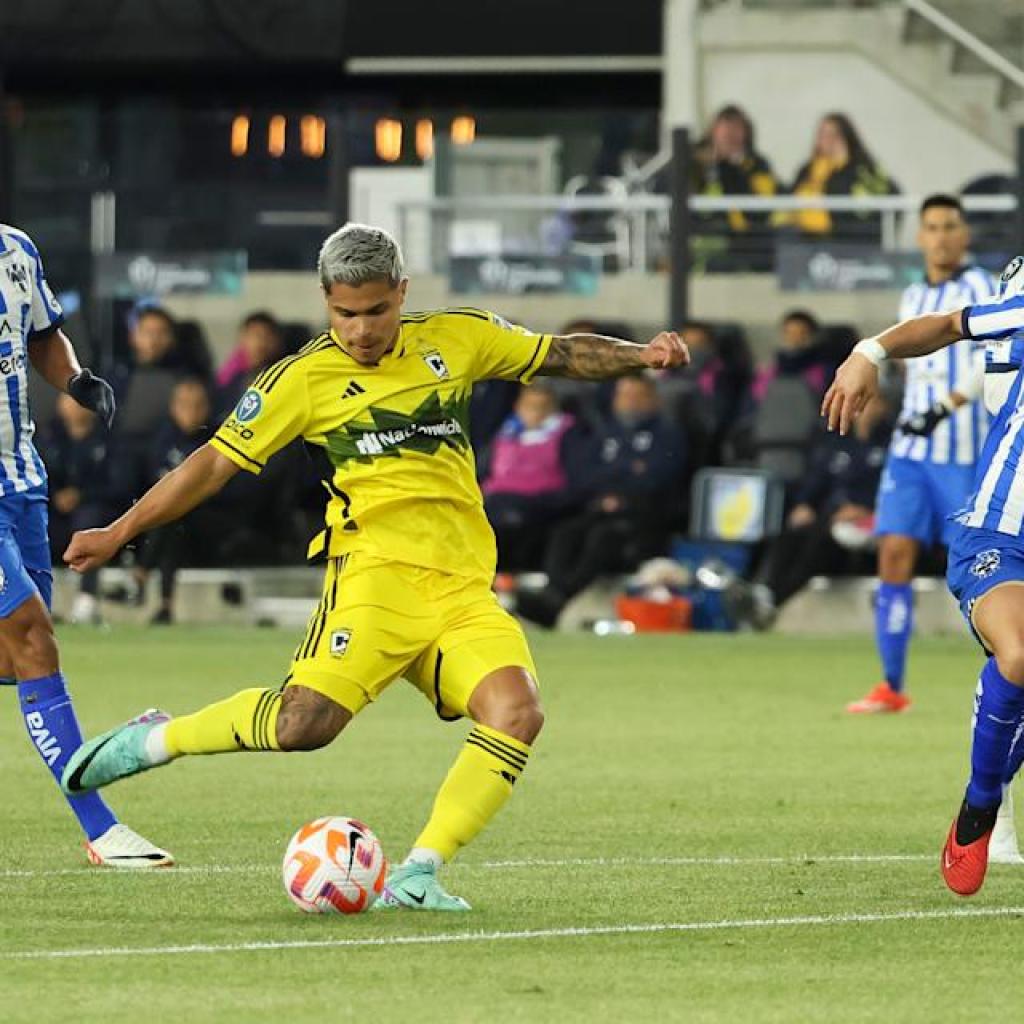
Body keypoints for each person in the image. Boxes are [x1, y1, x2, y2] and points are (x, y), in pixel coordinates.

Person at [59, 222, 689, 910]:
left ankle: (419, 874)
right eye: (345, 314)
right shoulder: (299, 380)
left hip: (461, 590)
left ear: (402, 293)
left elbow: (560, 353)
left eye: (377, 311)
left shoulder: (457, 336)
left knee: (517, 712)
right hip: (373, 582)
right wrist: (121, 529)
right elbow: (210, 465)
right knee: (303, 727)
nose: (361, 330)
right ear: (326, 301)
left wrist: (644, 355)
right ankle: (158, 739)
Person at [823, 253, 1024, 897]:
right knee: (1019, 652)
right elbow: (943, 326)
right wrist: (869, 352)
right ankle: (979, 807)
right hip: (1000, 531)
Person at [0, 223, 170, 866]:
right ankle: (101, 828)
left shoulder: (16, 250)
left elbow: (43, 335)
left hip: (20, 481)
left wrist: (73, 379)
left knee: (13, 661)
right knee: (31, 634)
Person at [846, 195, 994, 715]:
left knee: (980, 570)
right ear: (919, 237)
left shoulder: (982, 288)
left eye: (950, 226)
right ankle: (891, 684)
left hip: (967, 453)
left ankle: (1007, 675)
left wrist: (948, 404)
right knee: (892, 552)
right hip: (910, 452)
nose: (940, 237)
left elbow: (995, 357)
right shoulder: (912, 295)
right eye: (931, 227)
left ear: (964, 234)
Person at [517, 374, 687, 628]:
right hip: (598, 509)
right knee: (565, 533)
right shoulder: (604, 432)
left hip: (644, 517)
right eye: (624, 396)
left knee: (604, 538)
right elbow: (583, 475)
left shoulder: (667, 435)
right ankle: (554, 591)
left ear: (653, 399)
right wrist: (627, 471)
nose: (629, 403)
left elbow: (660, 477)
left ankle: (561, 599)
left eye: (637, 396)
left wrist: (622, 490)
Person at [751, 393, 890, 614]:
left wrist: (866, 508)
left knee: (818, 543)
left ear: (882, 406)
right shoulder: (838, 442)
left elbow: (895, 487)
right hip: (830, 518)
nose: (860, 409)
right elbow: (818, 479)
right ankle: (763, 590)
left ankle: (774, 600)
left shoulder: (890, 445)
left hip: (867, 523)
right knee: (790, 536)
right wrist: (805, 503)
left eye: (868, 402)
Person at [42, 394, 130, 625]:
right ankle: (33, 601)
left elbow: (120, 486)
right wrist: (56, 496)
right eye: (69, 397)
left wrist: (81, 496)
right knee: (27, 520)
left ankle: (86, 600)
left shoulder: (109, 438)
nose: (75, 404)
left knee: (90, 520)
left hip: (98, 514)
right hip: (56, 514)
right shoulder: (46, 437)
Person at [481, 384, 581, 572]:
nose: (536, 413)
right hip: (497, 499)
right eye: (530, 406)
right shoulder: (504, 431)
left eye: (542, 407)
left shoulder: (567, 431)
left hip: (540, 501)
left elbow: (573, 479)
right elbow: (485, 469)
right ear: (518, 406)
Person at [779, 113, 895, 241]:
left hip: (846, 241)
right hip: (805, 238)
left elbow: (891, 195)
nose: (825, 139)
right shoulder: (808, 168)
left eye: (833, 135)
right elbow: (789, 196)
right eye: (822, 133)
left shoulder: (863, 169)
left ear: (846, 137)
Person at [215, 312, 285, 415]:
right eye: (255, 335)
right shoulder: (229, 380)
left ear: (277, 341)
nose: (260, 342)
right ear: (242, 338)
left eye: (267, 336)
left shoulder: (284, 378)